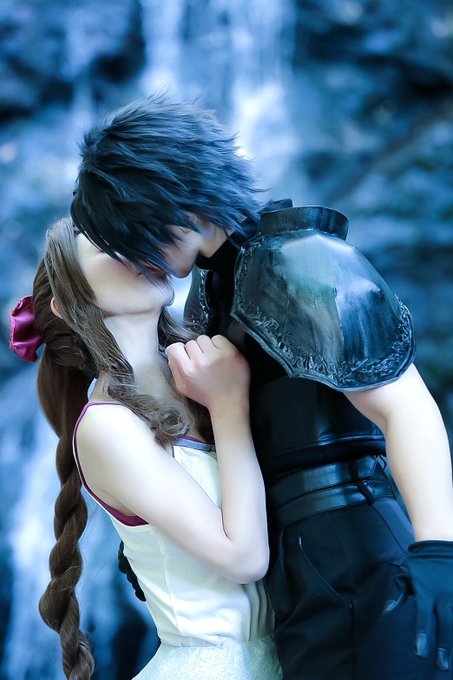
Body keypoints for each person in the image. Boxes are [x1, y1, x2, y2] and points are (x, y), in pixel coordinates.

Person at [70, 95, 453, 680]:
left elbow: (406, 407)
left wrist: (438, 553)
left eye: (127, 233)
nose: (132, 255)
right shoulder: (214, 291)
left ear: (166, 199)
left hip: (358, 554)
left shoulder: (300, 259)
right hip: (299, 569)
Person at [8, 217, 283, 680]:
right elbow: (244, 558)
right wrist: (228, 405)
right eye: (109, 247)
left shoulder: (201, 371)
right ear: (69, 304)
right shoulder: (106, 426)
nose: (138, 248)